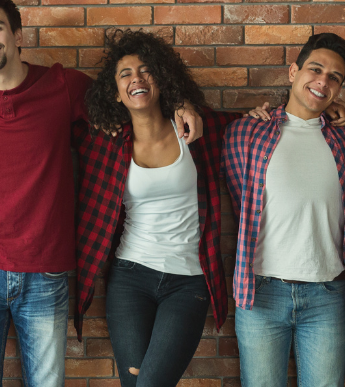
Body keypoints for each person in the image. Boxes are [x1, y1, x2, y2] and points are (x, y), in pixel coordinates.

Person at [0, 0, 202, 386]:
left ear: (18, 34)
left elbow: (131, 97)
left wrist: (183, 103)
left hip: (46, 270)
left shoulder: (63, 86)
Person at [74, 30, 238, 387]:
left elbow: (253, 125)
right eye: (125, 74)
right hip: (130, 277)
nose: (137, 78)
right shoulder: (104, 141)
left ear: (162, 80)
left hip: (188, 280)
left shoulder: (195, 130)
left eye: (146, 70)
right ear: (115, 93)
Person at [223, 33, 345, 387]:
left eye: (334, 77)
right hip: (260, 293)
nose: (323, 81)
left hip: (327, 295)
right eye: (315, 69)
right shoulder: (246, 132)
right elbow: (237, 193)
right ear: (293, 72)